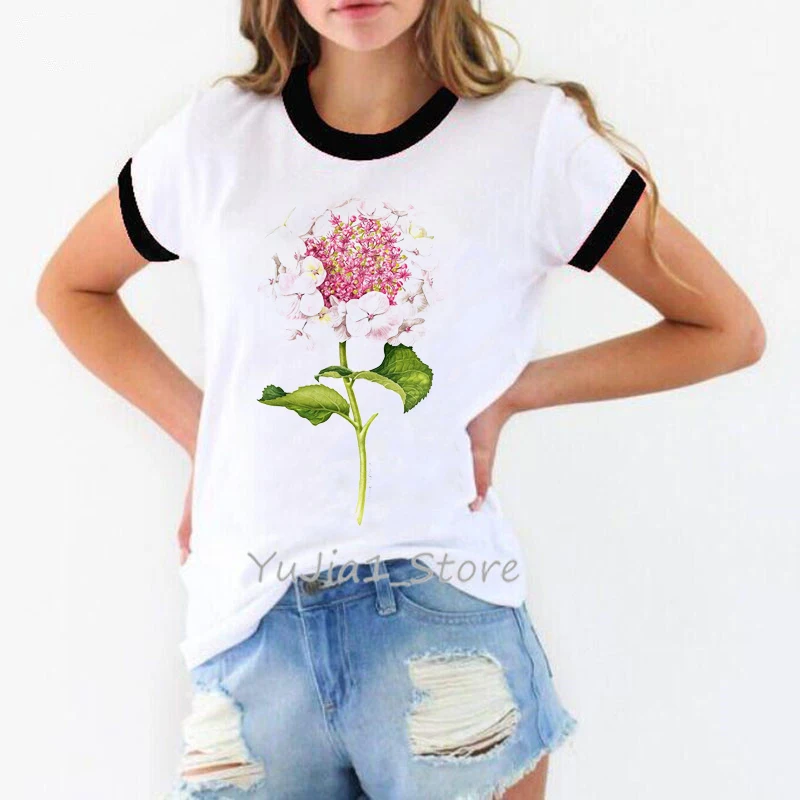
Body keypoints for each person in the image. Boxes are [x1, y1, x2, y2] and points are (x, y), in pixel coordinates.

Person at [36, 1, 765, 797]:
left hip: (445, 628)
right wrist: (207, 436)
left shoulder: (530, 139)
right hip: (247, 640)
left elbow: (725, 329)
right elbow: (71, 288)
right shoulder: (217, 137)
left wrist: (516, 392)